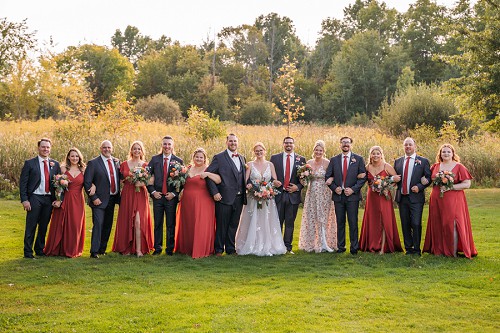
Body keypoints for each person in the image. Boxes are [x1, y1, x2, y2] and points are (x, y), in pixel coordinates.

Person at [423, 144, 477, 258]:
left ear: (453, 153)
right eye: (443, 152)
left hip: (454, 199)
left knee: (451, 223)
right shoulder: (435, 166)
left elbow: (467, 184)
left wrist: (450, 187)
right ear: (440, 154)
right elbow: (429, 179)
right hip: (437, 198)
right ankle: (438, 250)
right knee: (437, 223)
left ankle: (453, 252)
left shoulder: (459, 166)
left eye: (448, 152)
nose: (446, 154)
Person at [236, 142, 287, 256]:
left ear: (265, 151)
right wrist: (249, 186)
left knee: (267, 220)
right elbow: (245, 180)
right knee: (252, 219)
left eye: (261, 150)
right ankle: (252, 244)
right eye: (256, 151)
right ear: (254, 152)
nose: (259, 153)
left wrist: (276, 183)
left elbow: (273, 180)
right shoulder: (249, 164)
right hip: (253, 197)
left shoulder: (270, 165)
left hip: (267, 198)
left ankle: (267, 244)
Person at [175, 148, 220, 258]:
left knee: (201, 224)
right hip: (187, 202)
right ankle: (187, 248)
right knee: (189, 223)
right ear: (193, 158)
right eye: (197, 157)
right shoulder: (187, 169)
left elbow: (219, 180)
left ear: (205, 159)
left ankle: (201, 249)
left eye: (201, 157)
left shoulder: (208, 169)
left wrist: (208, 174)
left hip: (203, 201)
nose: (198, 159)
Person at [205, 134, 247, 256]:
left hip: (239, 198)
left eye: (235, 141)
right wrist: (215, 192)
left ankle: (230, 249)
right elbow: (208, 175)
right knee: (222, 225)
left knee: (234, 225)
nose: (233, 143)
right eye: (230, 141)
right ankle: (218, 249)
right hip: (224, 198)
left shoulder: (242, 158)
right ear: (226, 142)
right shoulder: (219, 158)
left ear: (237, 143)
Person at [20, 138, 61, 259]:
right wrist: (24, 200)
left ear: (50, 148)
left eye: (48, 147)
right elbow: (23, 183)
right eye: (43, 147)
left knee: (43, 225)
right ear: (38, 148)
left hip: (48, 199)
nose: (45, 149)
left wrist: (58, 198)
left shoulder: (55, 164)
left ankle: (39, 249)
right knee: (31, 225)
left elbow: (58, 184)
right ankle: (28, 252)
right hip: (34, 197)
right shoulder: (30, 163)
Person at [325, 136, 367, 255]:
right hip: (338, 196)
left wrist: (353, 190)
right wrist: (334, 188)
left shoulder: (358, 159)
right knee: (340, 222)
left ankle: (354, 248)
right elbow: (328, 176)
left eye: (348, 143)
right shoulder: (334, 160)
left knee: (353, 222)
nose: (345, 144)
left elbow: (363, 177)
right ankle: (341, 247)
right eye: (343, 142)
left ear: (351, 145)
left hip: (352, 197)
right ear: (340, 144)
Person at [44, 148, 87, 257]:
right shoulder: (63, 169)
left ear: (79, 157)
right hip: (65, 198)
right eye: (72, 156)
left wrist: (94, 186)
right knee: (61, 223)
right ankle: (58, 249)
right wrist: (58, 199)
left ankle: (72, 250)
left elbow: (89, 182)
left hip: (78, 200)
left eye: (77, 156)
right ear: (68, 157)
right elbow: (58, 185)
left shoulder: (83, 169)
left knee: (75, 224)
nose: (75, 158)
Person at [113, 141, 154, 257]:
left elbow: (150, 180)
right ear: (131, 151)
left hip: (140, 193)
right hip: (128, 193)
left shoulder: (146, 165)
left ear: (142, 151)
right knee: (127, 220)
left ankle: (139, 249)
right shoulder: (124, 164)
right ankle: (126, 247)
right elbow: (120, 179)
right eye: (134, 149)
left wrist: (141, 183)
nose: (136, 151)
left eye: (139, 149)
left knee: (138, 221)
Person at [359, 146, 403, 254]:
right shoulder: (367, 167)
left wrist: (387, 187)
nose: (375, 155)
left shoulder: (386, 166)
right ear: (370, 155)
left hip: (384, 196)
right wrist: (359, 175)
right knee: (373, 220)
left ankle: (383, 247)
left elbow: (396, 179)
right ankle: (372, 245)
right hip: (372, 197)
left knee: (384, 219)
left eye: (377, 153)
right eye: (373, 153)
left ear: (381, 154)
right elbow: (362, 178)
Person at [394, 137, 431, 255]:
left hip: (416, 198)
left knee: (416, 223)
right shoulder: (398, 161)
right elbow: (394, 177)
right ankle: (408, 248)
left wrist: (419, 187)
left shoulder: (423, 161)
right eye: (406, 145)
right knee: (405, 223)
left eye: (410, 144)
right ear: (403, 147)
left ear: (415, 146)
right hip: (402, 197)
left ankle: (416, 248)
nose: (408, 147)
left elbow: (428, 178)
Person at [147, 136, 183, 255]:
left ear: (173, 146)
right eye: (165, 144)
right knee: (157, 223)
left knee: (170, 224)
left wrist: (174, 194)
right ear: (161, 145)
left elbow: (183, 181)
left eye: (169, 144)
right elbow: (146, 177)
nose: (167, 146)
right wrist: (152, 192)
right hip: (158, 197)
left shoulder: (178, 161)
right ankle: (157, 248)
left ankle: (169, 249)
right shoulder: (154, 159)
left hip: (170, 198)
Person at [298, 140, 337, 253]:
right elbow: (304, 179)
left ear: (323, 151)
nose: (318, 152)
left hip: (324, 192)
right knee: (312, 216)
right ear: (313, 150)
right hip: (312, 193)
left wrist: (331, 178)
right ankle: (311, 243)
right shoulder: (309, 162)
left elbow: (334, 175)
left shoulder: (327, 163)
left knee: (323, 217)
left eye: (320, 150)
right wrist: (303, 177)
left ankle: (325, 242)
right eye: (316, 150)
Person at [84, 140, 120, 258]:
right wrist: (94, 197)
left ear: (112, 148)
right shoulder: (93, 163)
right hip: (98, 200)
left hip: (112, 198)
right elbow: (87, 182)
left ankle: (102, 249)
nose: (107, 149)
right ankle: (94, 251)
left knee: (108, 225)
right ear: (100, 148)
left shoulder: (116, 162)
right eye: (104, 147)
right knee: (98, 224)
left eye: (109, 147)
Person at [270, 137, 306, 254]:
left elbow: (305, 179)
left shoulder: (301, 160)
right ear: (283, 144)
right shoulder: (275, 158)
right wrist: (273, 182)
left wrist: (298, 187)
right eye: (286, 143)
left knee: (290, 223)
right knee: (277, 222)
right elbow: (269, 175)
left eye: (290, 143)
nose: (288, 145)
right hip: (278, 194)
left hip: (293, 195)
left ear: (294, 145)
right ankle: (276, 246)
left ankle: (287, 247)